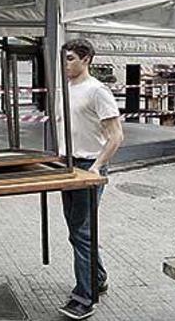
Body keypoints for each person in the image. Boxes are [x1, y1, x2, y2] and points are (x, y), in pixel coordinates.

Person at [58, 39, 124, 320]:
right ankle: (97, 278)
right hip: (68, 166)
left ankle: (85, 297)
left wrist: (97, 166)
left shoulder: (98, 91)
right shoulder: (65, 89)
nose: (66, 63)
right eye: (64, 58)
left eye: (71, 58)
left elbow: (116, 136)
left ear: (86, 59)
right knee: (78, 230)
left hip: (88, 167)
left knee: (81, 233)